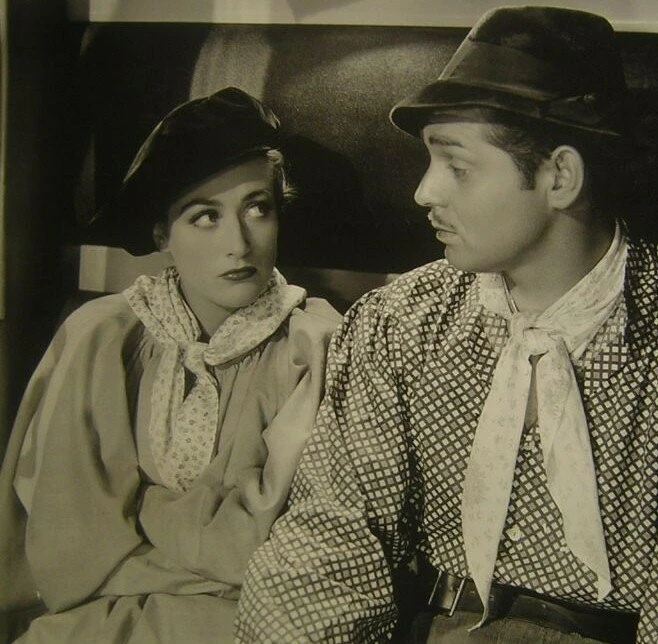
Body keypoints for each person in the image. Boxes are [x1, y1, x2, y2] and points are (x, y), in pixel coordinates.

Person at [235, 7, 657, 644]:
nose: (425, 192)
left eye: (457, 167)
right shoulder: (397, 323)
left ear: (560, 177)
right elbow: (330, 544)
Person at [0, 86, 341, 642]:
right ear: (162, 233)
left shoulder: (315, 346)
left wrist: (144, 509)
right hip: (98, 605)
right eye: (205, 216)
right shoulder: (100, 338)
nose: (239, 243)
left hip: (251, 620)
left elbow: (270, 547)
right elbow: (71, 541)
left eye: (258, 208)